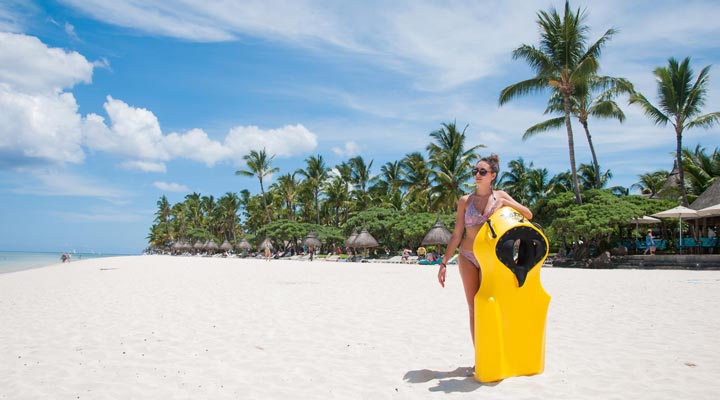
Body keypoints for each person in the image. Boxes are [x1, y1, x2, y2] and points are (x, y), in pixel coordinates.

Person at [437, 154, 533, 348]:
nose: (477, 175)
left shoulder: (501, 196)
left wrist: (507, 204)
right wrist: (444, 262)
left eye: (482, 172)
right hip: (467, 256)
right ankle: (480, 355)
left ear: (493, 175)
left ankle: (495, 350)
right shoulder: (465, 200)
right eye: (475, 171)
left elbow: (528, 214)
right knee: (473, 308)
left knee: (490, 304)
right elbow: (457, 234)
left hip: (491, 258)